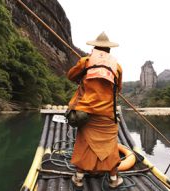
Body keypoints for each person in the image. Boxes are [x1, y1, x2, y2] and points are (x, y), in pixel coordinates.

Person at [67, 32, 123, 189]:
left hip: (86, 112)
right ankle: (113, 179)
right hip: (107, 114)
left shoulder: (85, 62)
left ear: (94, 48)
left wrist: (85, 69)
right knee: (110, 146)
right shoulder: (117, 68)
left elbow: (70, 76)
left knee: (85, 144)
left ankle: (78, 178)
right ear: (109, 50)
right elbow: (118, 89)